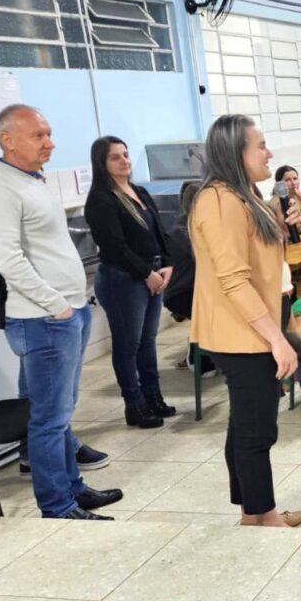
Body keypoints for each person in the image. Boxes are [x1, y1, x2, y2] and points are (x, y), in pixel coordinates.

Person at [0, 104, 119, 519]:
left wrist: (73, 303)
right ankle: (58, 505)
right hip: (43, 320)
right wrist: (55, 304)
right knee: (48, 420)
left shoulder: (31, 180)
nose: (50, 142)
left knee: (61, 414)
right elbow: (7, 260)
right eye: (39, 135)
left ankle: (73, 487)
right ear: (9, 139)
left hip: (68, 312)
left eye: (49, 133)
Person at [189, 113, 301, 529]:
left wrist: (276, 226)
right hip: (241, 332)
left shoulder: (243, 195)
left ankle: (253, 512)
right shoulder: (218, 200)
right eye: (260, 145)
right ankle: (264, 517)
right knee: (257, 431)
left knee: (245, 424)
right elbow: (234, 279)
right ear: (235, 152)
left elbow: (255, 260)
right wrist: (276, 339)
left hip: (249, 326)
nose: (268, 152)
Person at [84, 135, 175, 429]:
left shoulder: (137, 191)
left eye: (125, 155)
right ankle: (134, 405)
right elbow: (115, 246)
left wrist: (168, 263)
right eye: (115, 157)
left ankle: (153, 397)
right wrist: (145, 274)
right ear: (102, 163)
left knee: (147, 341)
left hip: (153, 274)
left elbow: (159, 230)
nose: (124, 161)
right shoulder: (101, 199)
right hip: (123, 280)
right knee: (127, 345)